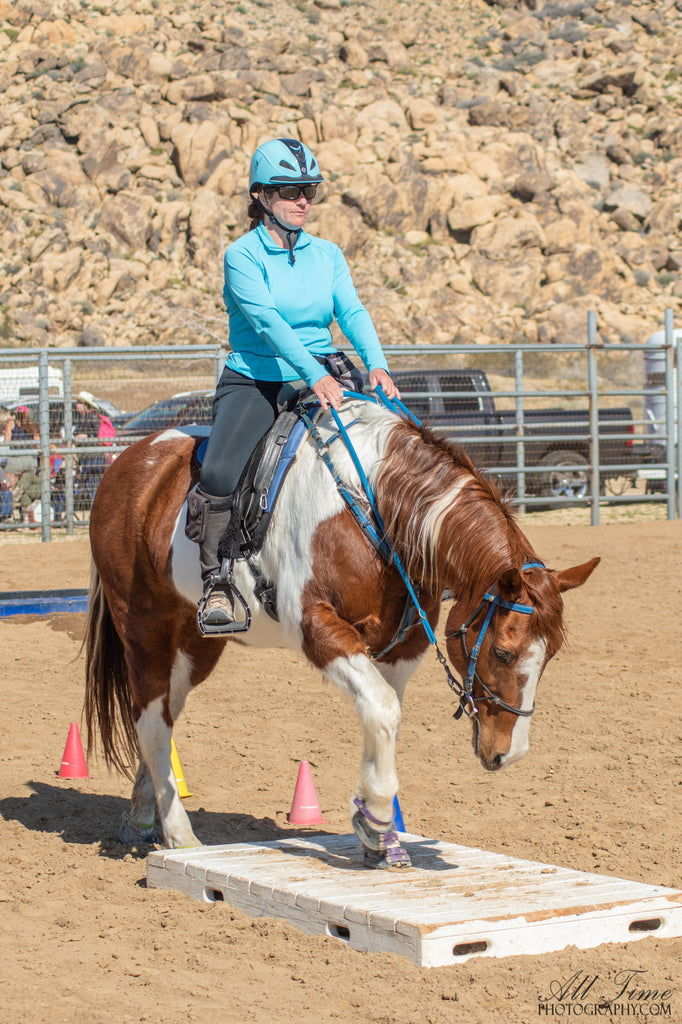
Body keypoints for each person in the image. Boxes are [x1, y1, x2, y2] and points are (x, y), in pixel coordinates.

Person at [186, 137, 400, 633]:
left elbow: (351, 310)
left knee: (391, 442)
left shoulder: (326, 254)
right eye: (289, 190)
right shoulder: (242, 256)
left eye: (309, 190)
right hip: (258, 377)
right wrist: (315, 374)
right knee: (219, 472)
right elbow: (267, 324)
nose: (302, 199)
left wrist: (378, 365)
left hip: (323, 369)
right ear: (261, 195)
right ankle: (217, 582)